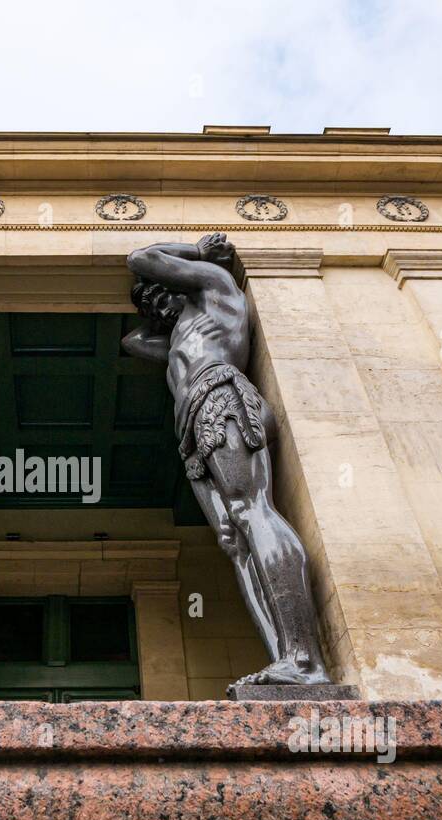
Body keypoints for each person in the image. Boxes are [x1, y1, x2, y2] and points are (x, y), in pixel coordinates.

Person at [124, 233, 331, 687]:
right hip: (192, 423)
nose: (154, 302)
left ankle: (305, 660)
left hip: (221, 396)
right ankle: (283, 658)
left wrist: (199, 255)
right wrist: (165, 308)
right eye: (148, 299)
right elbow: (135, 339)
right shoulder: (183, 329)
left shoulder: (216, 287)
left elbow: (141, 256)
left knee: (252, 509)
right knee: (232, 539)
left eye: (159, 291)